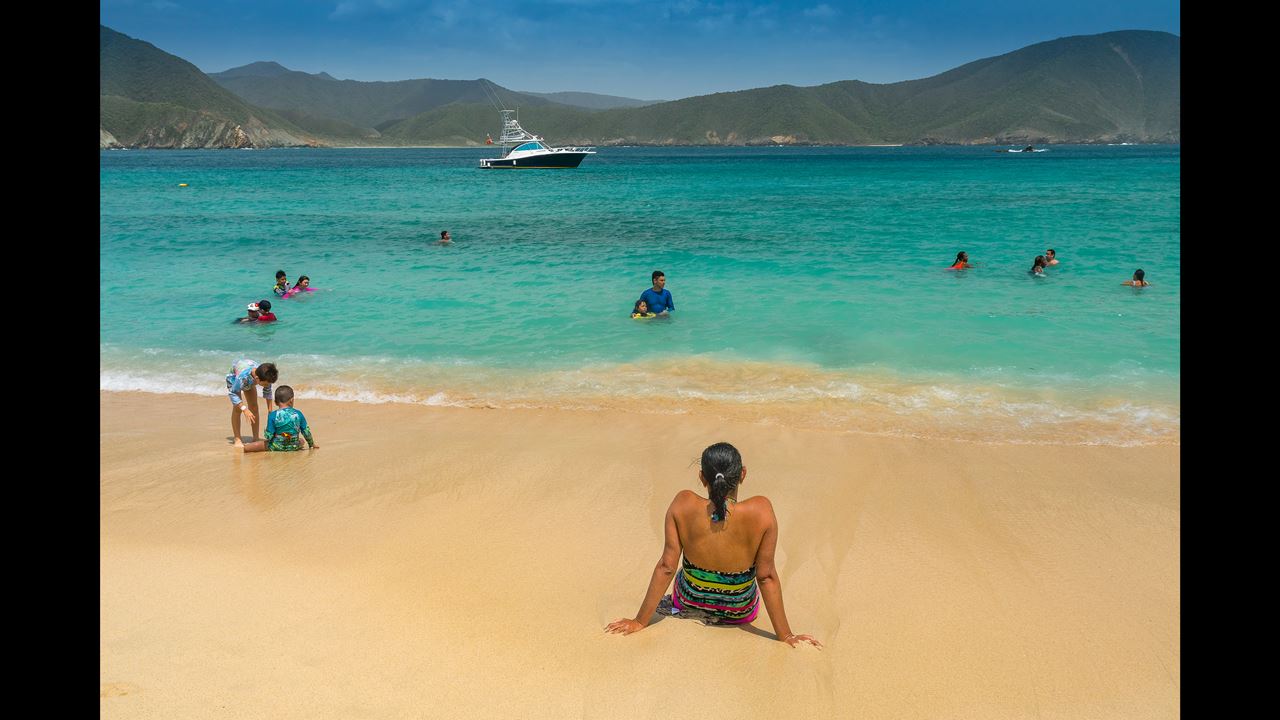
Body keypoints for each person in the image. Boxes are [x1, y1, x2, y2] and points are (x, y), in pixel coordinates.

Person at [606, 442, 821, 648]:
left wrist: (640, 621)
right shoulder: (761, 511)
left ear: (702, 477)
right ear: (743, 474)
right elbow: (766, 577)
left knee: (685, 574)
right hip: (740, 611)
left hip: (688, 602)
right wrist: (786, 635)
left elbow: (667, 567)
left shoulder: (683, 503)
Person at [242, 385, 318, 453]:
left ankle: (246, 448)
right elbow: (306, 432)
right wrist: (312, 444)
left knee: (248, 447)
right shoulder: (298, 413)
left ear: (275, 402)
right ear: (291, 400)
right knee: (302, 440)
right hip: (294, 446)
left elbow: (268, 436)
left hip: (276, 446)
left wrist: (267, 432)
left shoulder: (273, 415)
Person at [226, 359, 279, 447]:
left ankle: (255, 437)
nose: (267, 386)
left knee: (254, 407)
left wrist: (270, 411)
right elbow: (233, 393)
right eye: (265, 384)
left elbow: (268, 392)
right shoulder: (242, 378)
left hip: (250, 379)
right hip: (234, 379)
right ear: (257, 379)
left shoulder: (266, 376)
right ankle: (237, 438)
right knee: (238, 408)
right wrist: (244, 409)